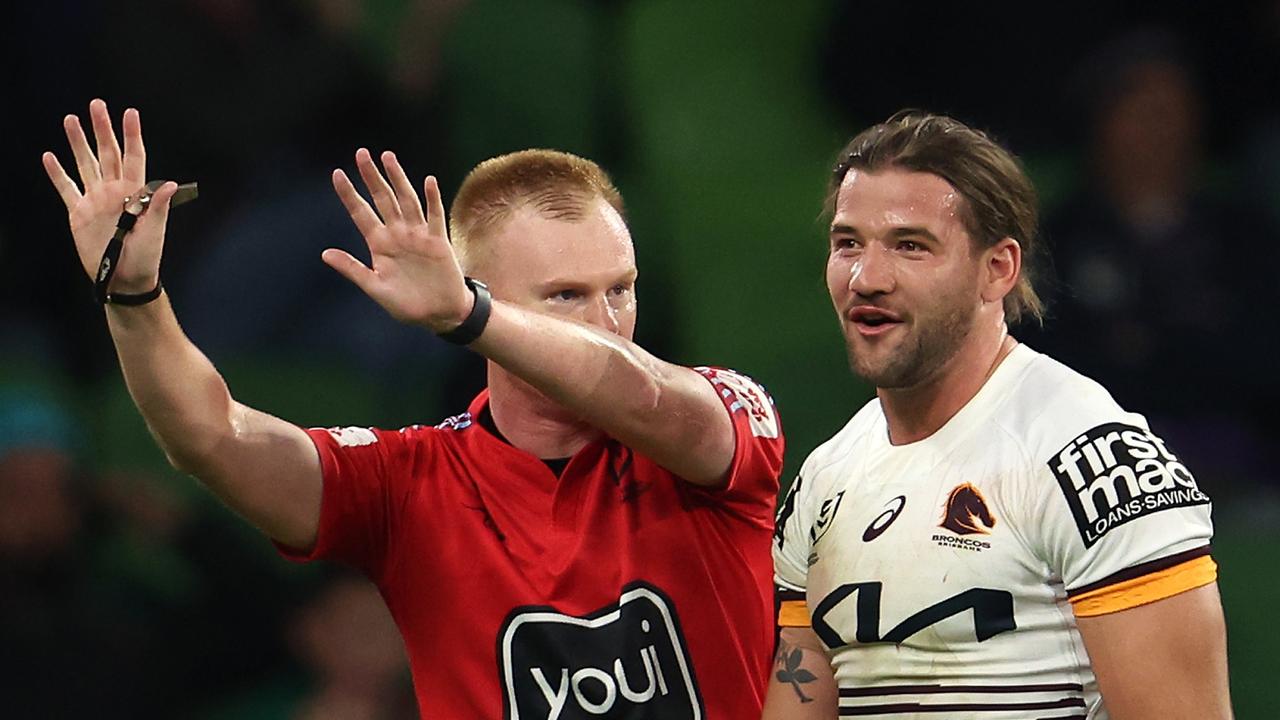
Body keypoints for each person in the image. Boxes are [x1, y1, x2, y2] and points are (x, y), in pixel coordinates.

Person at [43, 99, 783, 719]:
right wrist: (133, 294)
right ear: (483, 287)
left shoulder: (724, 412)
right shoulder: (412, 484)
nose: (605, 320)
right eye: (565, 295)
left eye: (619, 288)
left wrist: (466, 315)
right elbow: (210, 435)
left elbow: (643, 393)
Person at [763, 112, 1231, 719]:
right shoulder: (823, 483)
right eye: (848, 243)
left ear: (998, 269)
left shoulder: (1094, 462)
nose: (867, 278)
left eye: (910, 246)